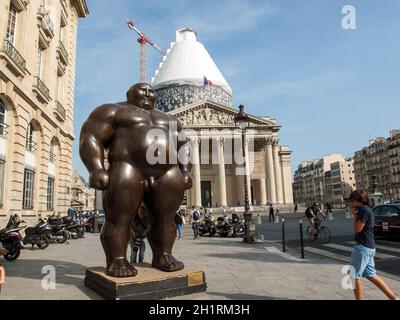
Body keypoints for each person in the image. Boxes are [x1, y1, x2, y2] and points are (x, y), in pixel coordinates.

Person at [348, 190, 399, 300]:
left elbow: (357, 229)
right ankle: (393, 298)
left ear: (357, 201)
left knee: (353, 275)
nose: (351, 203)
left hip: (362, 247)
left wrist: (354, 215)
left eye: (352, 200)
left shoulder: (363, 211)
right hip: (369, 247)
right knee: (371, 275)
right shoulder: (367, 210)